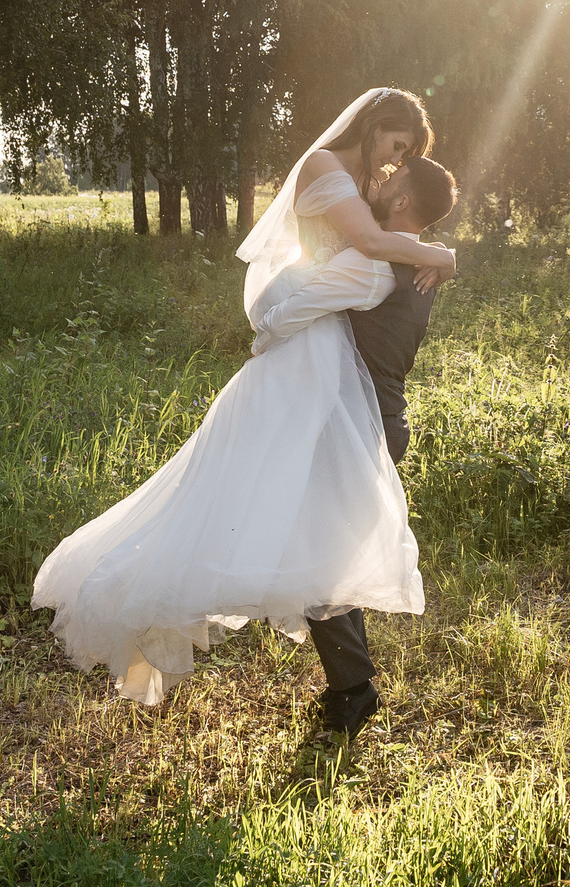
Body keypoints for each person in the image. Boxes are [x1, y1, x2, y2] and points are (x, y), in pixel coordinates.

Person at [30, 89, 457, 710]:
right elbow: (363, 242)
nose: (393, 166)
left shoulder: (373, 244)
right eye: (396, 148)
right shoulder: (334, 182)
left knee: (295, 533)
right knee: (286, 529)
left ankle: (347, 687)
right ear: (373, 126)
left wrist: (428, 252)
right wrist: (437, 250)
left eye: (404, 162)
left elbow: (355, 258)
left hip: (326, 386)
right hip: (320, 385)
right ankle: (344, 686)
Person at [247, 154, 458, 734]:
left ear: (400, 204)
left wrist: (262, 339)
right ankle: (351, 687)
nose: (379, 179)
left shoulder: (379, 266)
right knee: (321, 553)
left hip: (360, 425)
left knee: (318, 559)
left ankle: (354, 691)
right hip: (372, 422)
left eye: (390, 180)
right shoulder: (411, 262)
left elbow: (295, 313)